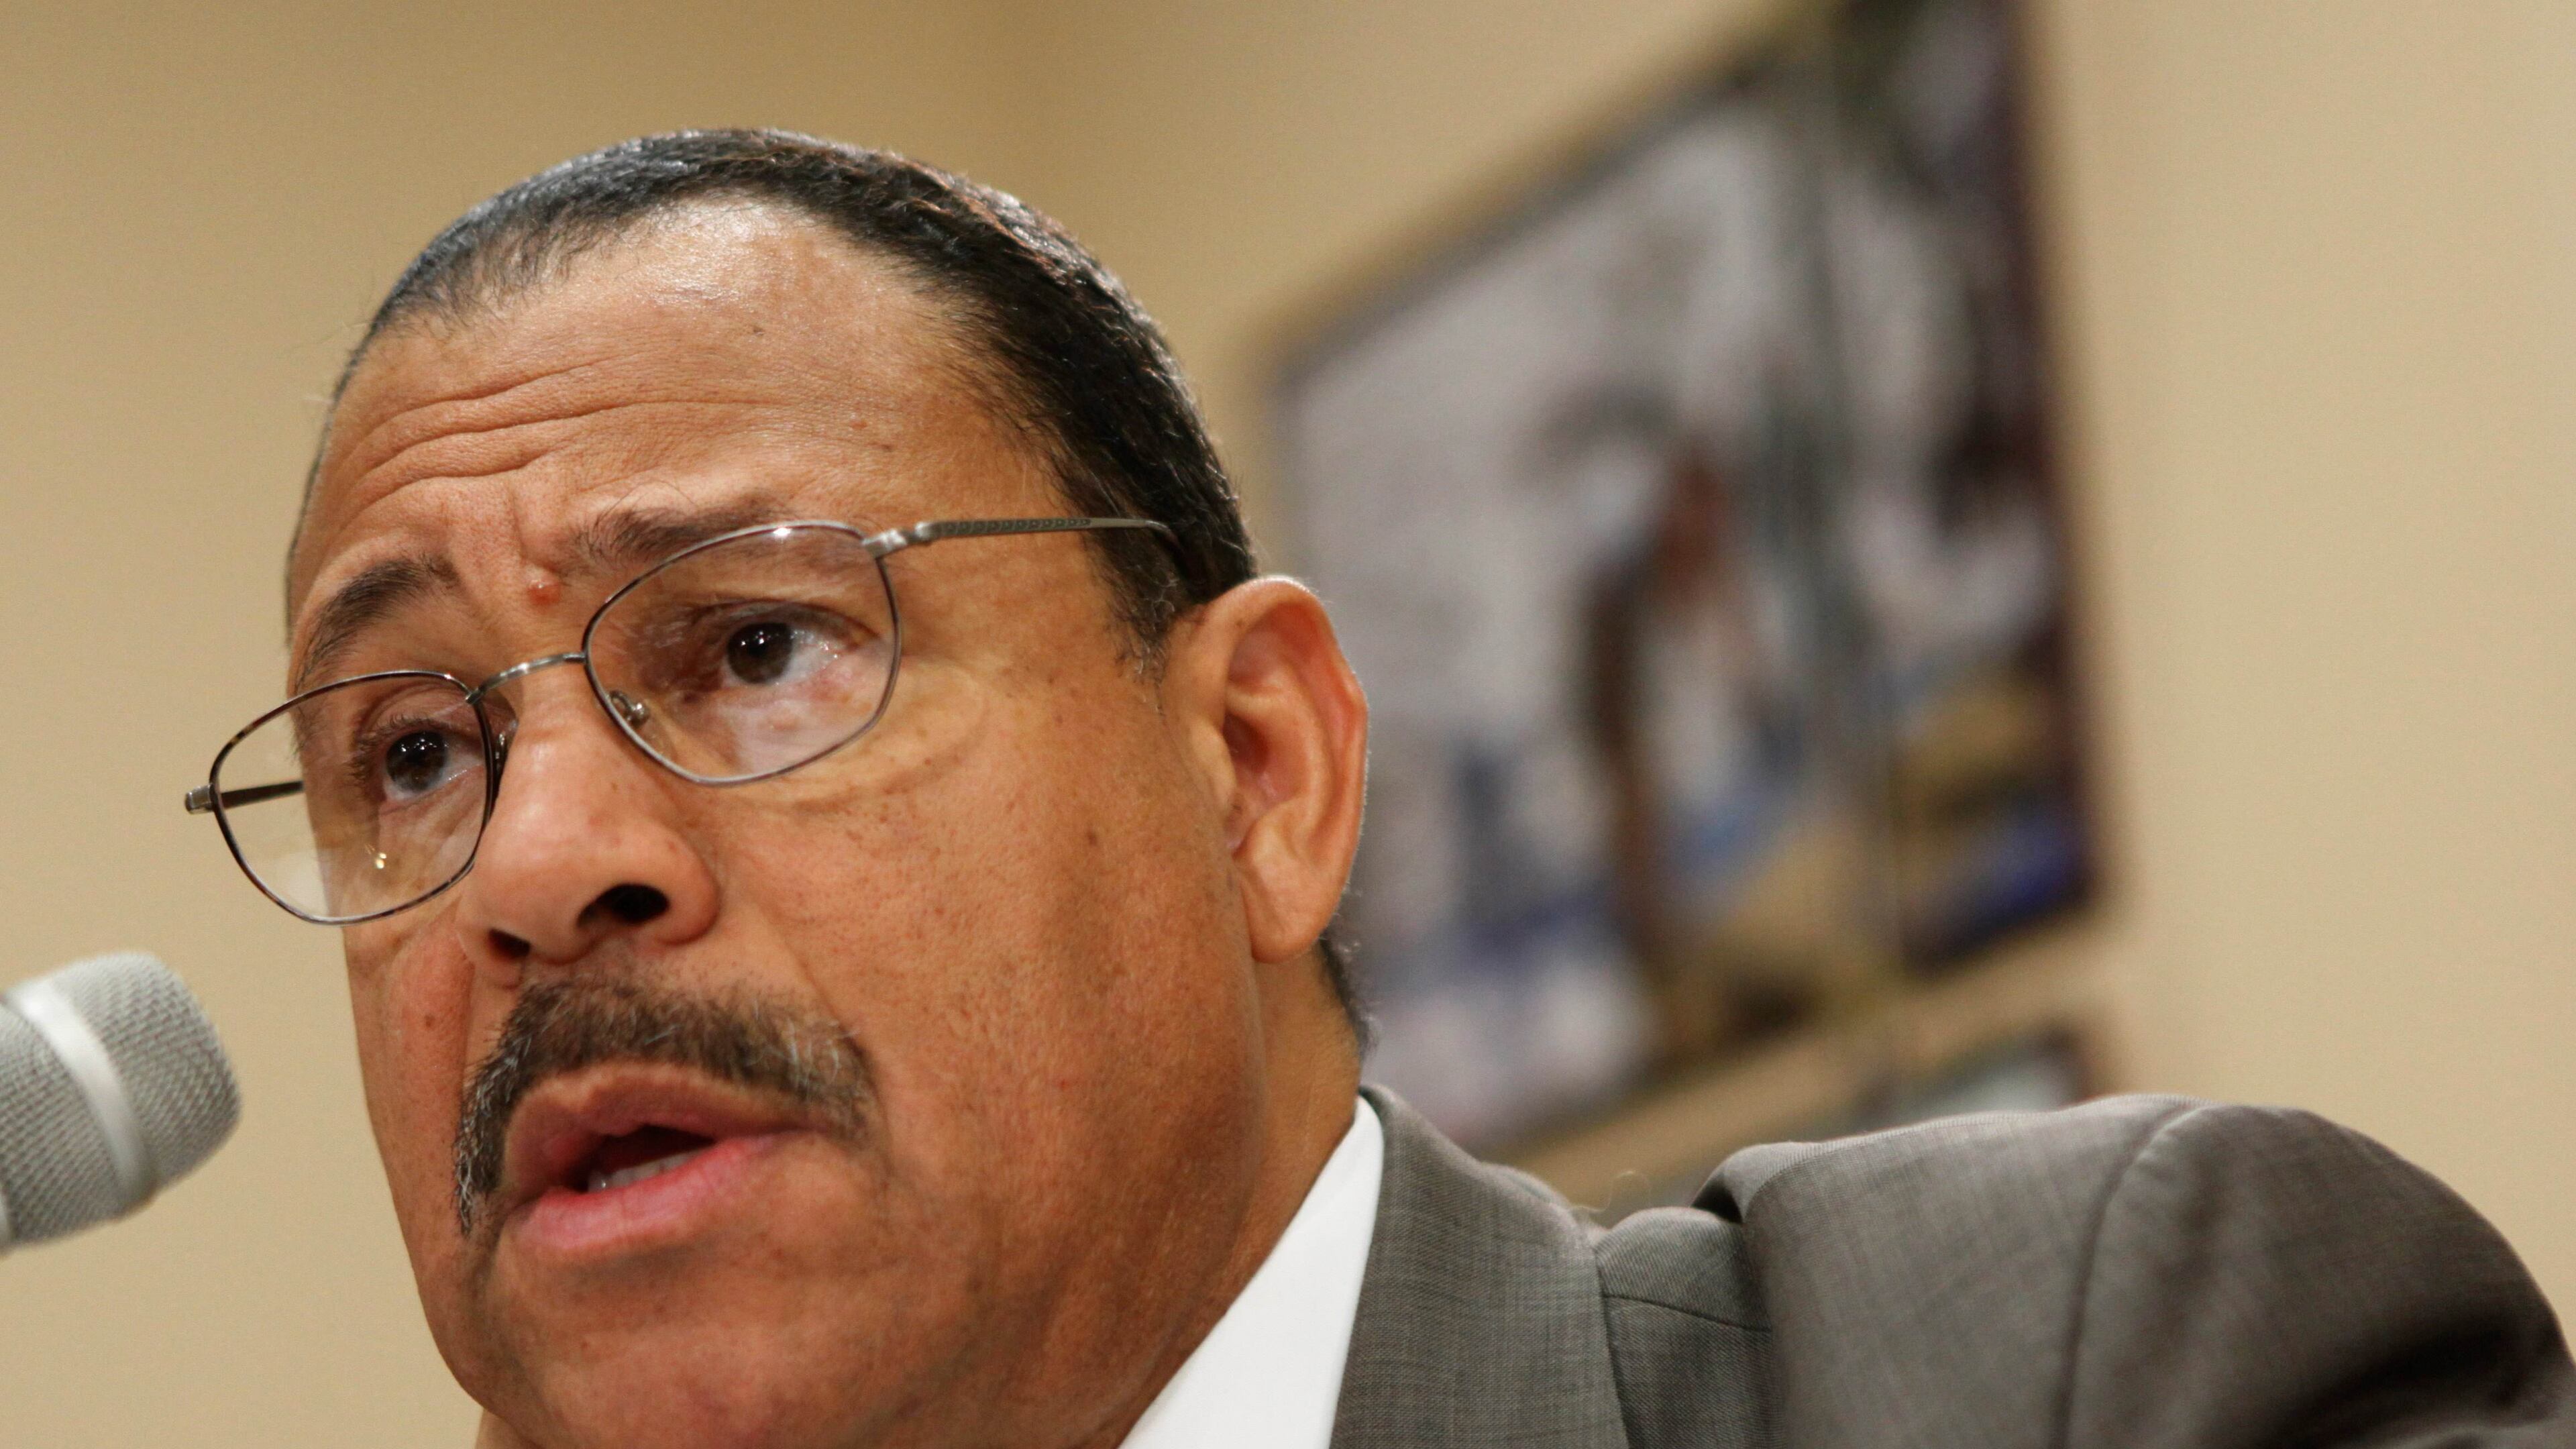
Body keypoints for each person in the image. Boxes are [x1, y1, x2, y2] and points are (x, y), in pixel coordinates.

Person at [184, 129, 2571, 1449]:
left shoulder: (2083, 1372)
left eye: (763, 643)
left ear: (1258, 772)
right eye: (413, 755)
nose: (537, 861)